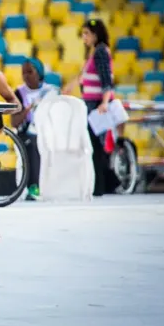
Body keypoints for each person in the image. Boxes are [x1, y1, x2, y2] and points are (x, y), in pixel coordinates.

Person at [62, 18, 120, 196]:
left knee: (95, 144)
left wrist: (104, 102)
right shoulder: (94, 52)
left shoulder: (101, 52)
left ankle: (102, 184)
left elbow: (106, 80)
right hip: (90, 102)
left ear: (95, 34)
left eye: (86, 33)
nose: (84, 38)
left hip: (96, 104)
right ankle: (102, 183)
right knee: (93, 144)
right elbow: (84, 75)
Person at [10, 58, 59, 201]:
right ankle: (33, 187)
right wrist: (27, 110)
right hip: (27, 132)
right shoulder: (19, 93)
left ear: (39, 73)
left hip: (50, 131)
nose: (26, 76)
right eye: (24, 72)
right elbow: (14, 122)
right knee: (32, 142)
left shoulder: (51, 91)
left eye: (30, 72)